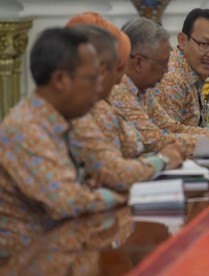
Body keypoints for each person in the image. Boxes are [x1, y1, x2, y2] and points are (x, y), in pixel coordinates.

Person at [0, 28, 125, 255]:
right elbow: (68, 202)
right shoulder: (26, 128)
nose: (99, 88)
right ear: (59, 80)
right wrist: (120, 196)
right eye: (92, 78)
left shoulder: (57, 122)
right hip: (27, 261)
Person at [65, 13, 184, 191]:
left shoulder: (96, 104)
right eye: (116, 68)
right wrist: (162, 161)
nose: (118, 81)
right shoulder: (80, 112)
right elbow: (113, 174)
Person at [110, 17, 209, 157]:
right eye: (204, 44)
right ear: (139, 62)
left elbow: (171, 127)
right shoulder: (121, 90)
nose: (166, 70)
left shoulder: (142, 90)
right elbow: (155, 141)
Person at [150, 8, 209, 129]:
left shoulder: (191, 71)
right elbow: (167, 141)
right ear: (183, 41)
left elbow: (188, 128)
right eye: (204, 44)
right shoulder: (171, 80)